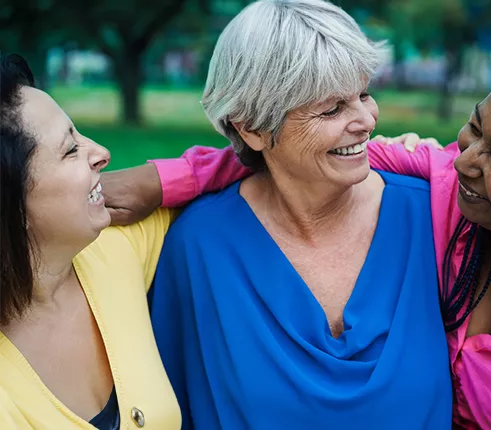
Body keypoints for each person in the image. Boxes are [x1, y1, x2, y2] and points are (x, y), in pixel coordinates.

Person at [104, 49, 491, 428]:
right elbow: (297, 155)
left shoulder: (439, 208)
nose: (465, 160)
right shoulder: (448, 193)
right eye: (474, 128)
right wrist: (165, 179)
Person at [110, 0, 453, 428]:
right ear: (250, 127)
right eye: (332, 109)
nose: (366, 119)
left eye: (364, 93)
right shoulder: (198, 246)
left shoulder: (432, 217)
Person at [0, 54, 181, 429]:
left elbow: (257, 160)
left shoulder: (115, 247)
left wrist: (157, 180)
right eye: (70, 150)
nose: (102, 153)